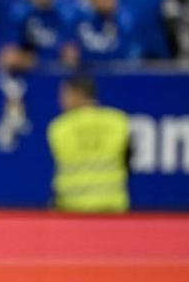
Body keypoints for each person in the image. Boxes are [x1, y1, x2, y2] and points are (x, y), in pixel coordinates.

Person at [47, 75, 130, 213]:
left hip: (72, 207)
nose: (61, 101)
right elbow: (128, 160)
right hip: (112, 207)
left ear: (78, 94)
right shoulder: (118, 121)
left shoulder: (60, 127)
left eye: (65, 95)